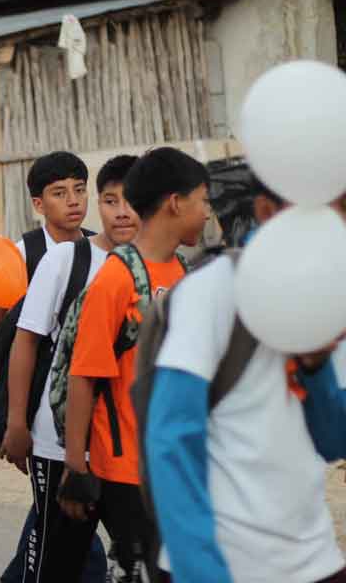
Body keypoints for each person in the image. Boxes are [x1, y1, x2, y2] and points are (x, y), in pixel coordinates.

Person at [146, 180, 346, 583]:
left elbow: (333, 441)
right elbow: (170, 442)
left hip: (315, 563)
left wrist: (316, 364)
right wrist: (203, 572)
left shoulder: (333, 293)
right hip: (221, 566)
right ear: (268, 212)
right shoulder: (214, 289)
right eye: (327, 209)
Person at [59, 147, 210, 582]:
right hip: (127, 472)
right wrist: (76, 469)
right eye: (202, 200)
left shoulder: (184, 271)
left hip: (176, 461)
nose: (207, 212)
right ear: (175, 203)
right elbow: (84, 375)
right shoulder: (116, 277)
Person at [1, 155, 140, 583]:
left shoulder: (155, 266)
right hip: (59, 440)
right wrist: (16, 422)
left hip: (125, 444)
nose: (121, 211)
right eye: (110, 200)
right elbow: (23, 339)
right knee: (51, 556)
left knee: (136, 553)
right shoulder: (61, 259)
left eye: (79, 190)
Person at [0, 151, 91, 332]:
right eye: (59, 193)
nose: (73, 201)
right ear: (39, 204)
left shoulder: (101, 248)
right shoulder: (20, 255)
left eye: (79, 190)